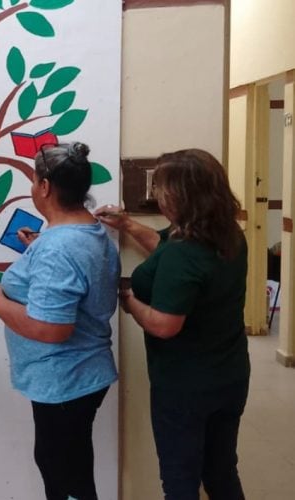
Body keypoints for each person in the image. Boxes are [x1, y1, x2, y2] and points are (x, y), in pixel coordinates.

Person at [96, 149, 249, 500]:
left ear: (183, 195)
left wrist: (130, 299)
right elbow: (164, 246)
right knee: (221, 470)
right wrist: (128, 224)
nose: (157, 196)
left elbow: (165, 325)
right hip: (230, 376)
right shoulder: (226, 234)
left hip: (186, 387)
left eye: (162, 189)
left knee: (180, 480)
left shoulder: (186, 252)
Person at [0, 142, 119, 500]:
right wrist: (39, 248)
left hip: (65, 378)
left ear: (45, 188)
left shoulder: (58, 248)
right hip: (81, 375)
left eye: (34, 180)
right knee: (73, 467)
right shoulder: (89, 232)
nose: (32, 187)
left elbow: (51, 328)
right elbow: (70, 273)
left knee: (63, 473)